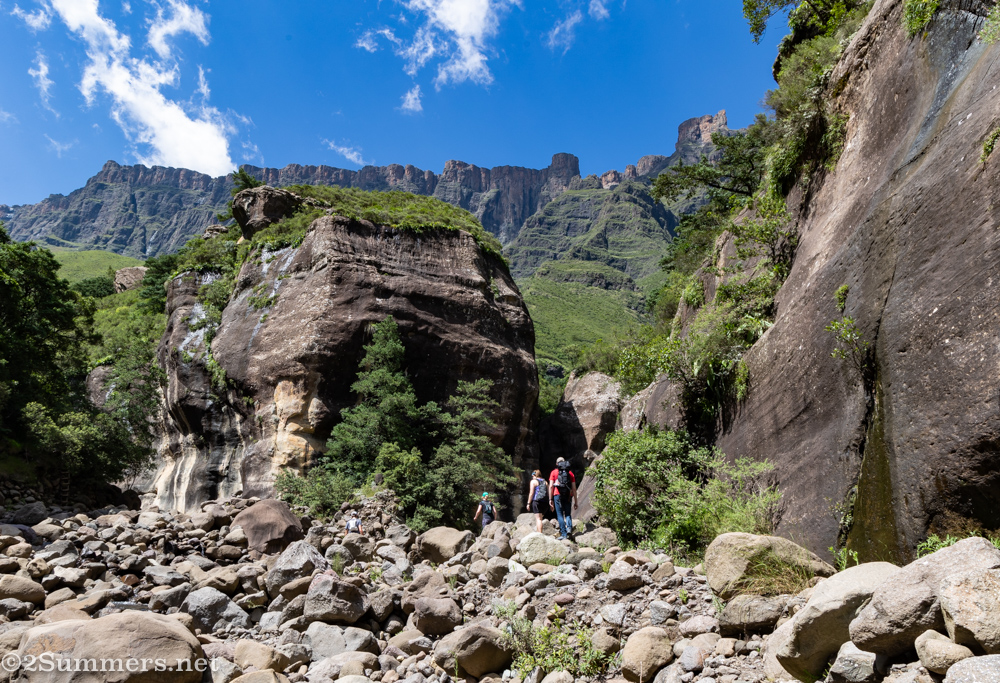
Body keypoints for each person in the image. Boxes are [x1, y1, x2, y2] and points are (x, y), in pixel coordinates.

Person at [549, 457, 578, 540]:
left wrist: (550, 499)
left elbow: (551, 486)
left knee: (560, 514)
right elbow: (574, 488)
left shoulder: (553, 472)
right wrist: (576, 501)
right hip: (568, 495)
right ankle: (569, 529)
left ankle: (564, 534)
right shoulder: (570, 473)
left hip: (557, 495)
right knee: (568, 513)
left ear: (556, 464)